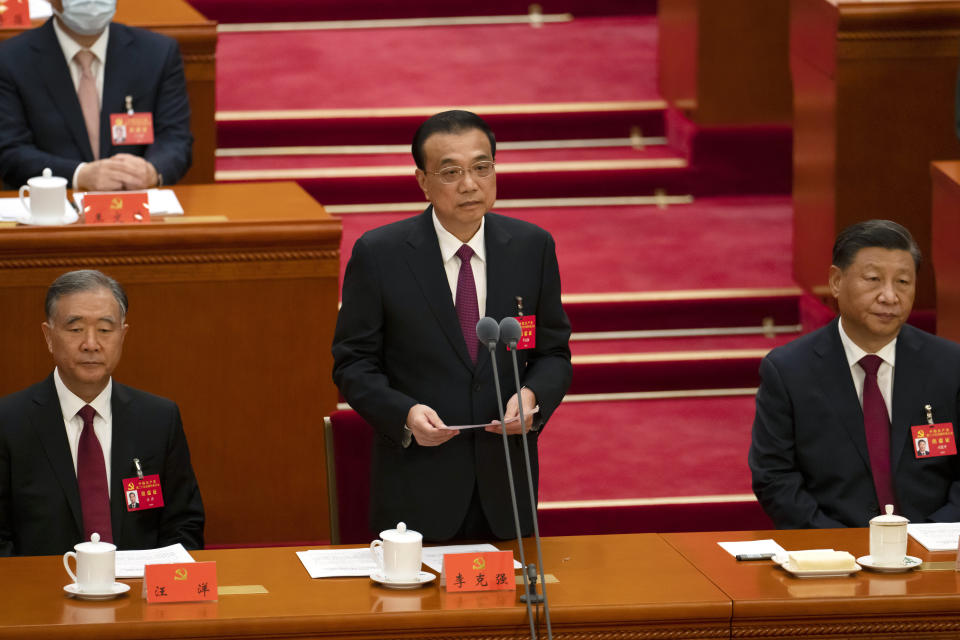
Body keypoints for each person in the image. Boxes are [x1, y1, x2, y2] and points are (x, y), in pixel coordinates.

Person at [332, 110, 572, 542]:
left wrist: (532, 397)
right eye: (451, 172)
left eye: (482, 168)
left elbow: (553, 354)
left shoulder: (532, 248)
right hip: (417, 489)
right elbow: (352, 364)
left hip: (506, 490)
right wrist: (403, 414)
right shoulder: (380, 255)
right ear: (422, 181)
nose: (469, 184)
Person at [749, 220, 960, 528]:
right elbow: (774, 478)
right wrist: (839, 544)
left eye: (903, 282)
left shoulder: (949, 364)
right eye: (873, 279)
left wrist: (933, 536)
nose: (889, 296)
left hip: (934, 548)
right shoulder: (790, 370)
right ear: (836, 281)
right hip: (833, 552)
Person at [0, 270, 204, 556]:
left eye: (105, 330)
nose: (91, 344)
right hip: (40, 593)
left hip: (136, 592)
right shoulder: (8, 423)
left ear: (123, 335)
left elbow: (183, 524)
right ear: (48, 336)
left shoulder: (158, 419)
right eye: (75, 329)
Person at [0, 0, 192, 190]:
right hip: (52, 209)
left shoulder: (157, 53)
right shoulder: (10, 60)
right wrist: (79, 175)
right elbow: (10, 151)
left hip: (137, 206)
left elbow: (175, 139)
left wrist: (152, 171)